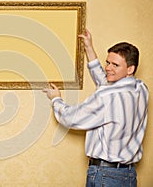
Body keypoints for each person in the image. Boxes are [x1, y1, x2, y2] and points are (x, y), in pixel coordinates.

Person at [43, 29, 149, 186]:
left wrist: (56, 99)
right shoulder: (141, 89)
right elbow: (107, 83)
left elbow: (70, 118)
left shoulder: (107, 98)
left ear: (130, 69)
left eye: (115, 65)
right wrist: (89, 49)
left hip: (105, 176)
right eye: (108, 62)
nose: (108, 68)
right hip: (128, 175)